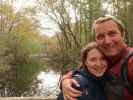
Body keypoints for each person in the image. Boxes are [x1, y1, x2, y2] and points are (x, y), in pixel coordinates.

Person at [61, 15, 133, 100]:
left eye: (112, 34)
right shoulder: (108, 58)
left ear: (123, 34)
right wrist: (65, 80)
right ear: (96, 40)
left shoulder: (130, 62)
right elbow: (83, 71)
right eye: (100, 36)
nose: (107, 41)